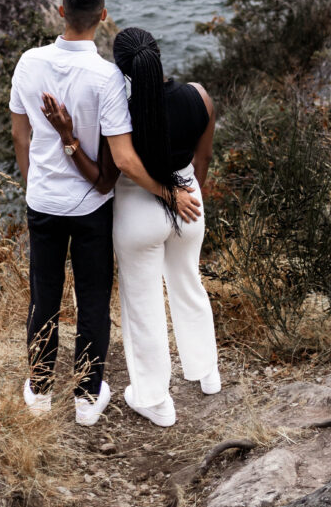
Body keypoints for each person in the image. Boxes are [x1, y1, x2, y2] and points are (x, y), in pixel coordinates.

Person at [9, 0, 201, 427]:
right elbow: (124, 159)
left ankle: (38, 390)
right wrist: (169, 193)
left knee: (45, 295)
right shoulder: (107, 77)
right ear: (103, 16)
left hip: (43, 202)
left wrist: (32, 183)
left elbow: (20, 134)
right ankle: (87, 398)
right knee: (93, 299)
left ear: (60, 12)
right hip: (92, 209)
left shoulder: (28, 63)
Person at [41, 25, 219, 427]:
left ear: (122, 68)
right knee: (189, 283)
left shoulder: (119, 106)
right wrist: (185, 196)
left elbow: (117, 164)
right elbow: (203, 160)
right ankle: (207, 372)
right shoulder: (199, 96)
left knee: (144, 308)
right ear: (157, 56)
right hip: (190, 201)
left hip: (138, 213)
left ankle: (155, 399)